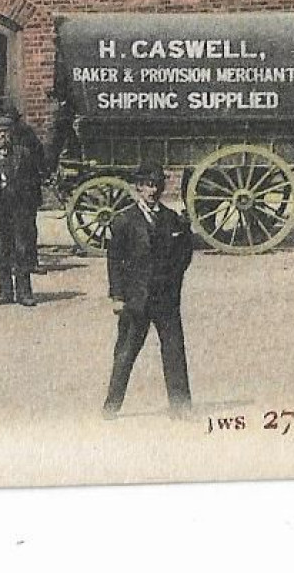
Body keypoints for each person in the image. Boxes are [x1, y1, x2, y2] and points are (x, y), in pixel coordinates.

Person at [103, 162, 194, 418]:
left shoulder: (171, 219)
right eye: (147, 185)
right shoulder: (123, 221)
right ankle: (111, 405)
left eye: (157, 186)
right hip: (135, 300)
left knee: (174, 351)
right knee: (126, 352)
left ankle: (181, 407)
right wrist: (118, 296)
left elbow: (184, 254)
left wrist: (173, 279)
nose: (152, 191)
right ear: (138, 187)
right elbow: (114, 262)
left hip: (165, 299)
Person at [0, 116, 44, 306]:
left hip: (19, 208)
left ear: (11, 134)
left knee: (21, 249)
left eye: (6, 132)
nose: (3, 136)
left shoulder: (23, 154)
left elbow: (34, 181)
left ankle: (24, 293)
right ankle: (5, 292)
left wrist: (31, 208)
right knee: (1, 250)